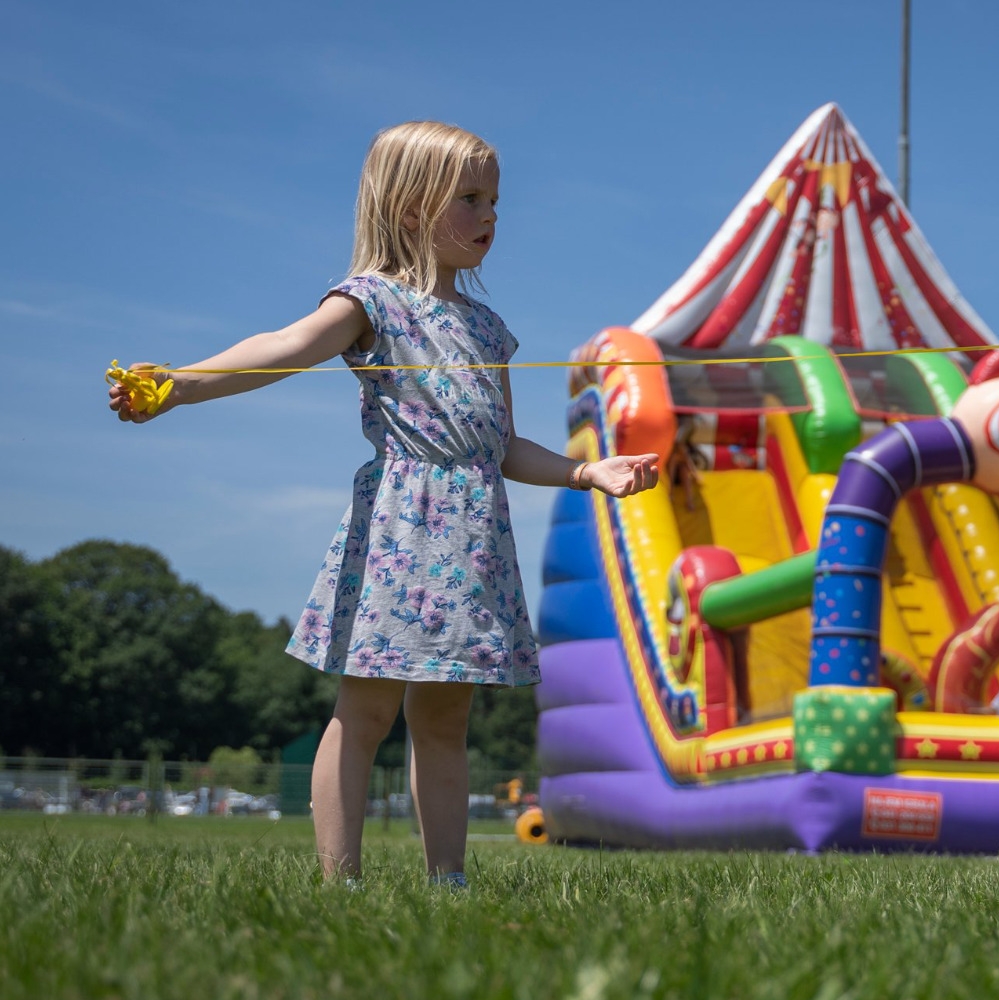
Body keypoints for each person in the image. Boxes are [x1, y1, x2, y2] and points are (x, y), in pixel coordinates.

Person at [108, 121, 661, 886]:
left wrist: (588, 472)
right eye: (469, 199)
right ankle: (341, 883)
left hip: (472, 537)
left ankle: (448, 883)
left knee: (445, 720)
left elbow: (500, 446)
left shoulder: (490, 327)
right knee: (364, 711)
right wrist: (182, 384)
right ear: (409, 209)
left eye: (495, 201)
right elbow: (286, 346)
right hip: (404, 527)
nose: (490, 216)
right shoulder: (370, 301)